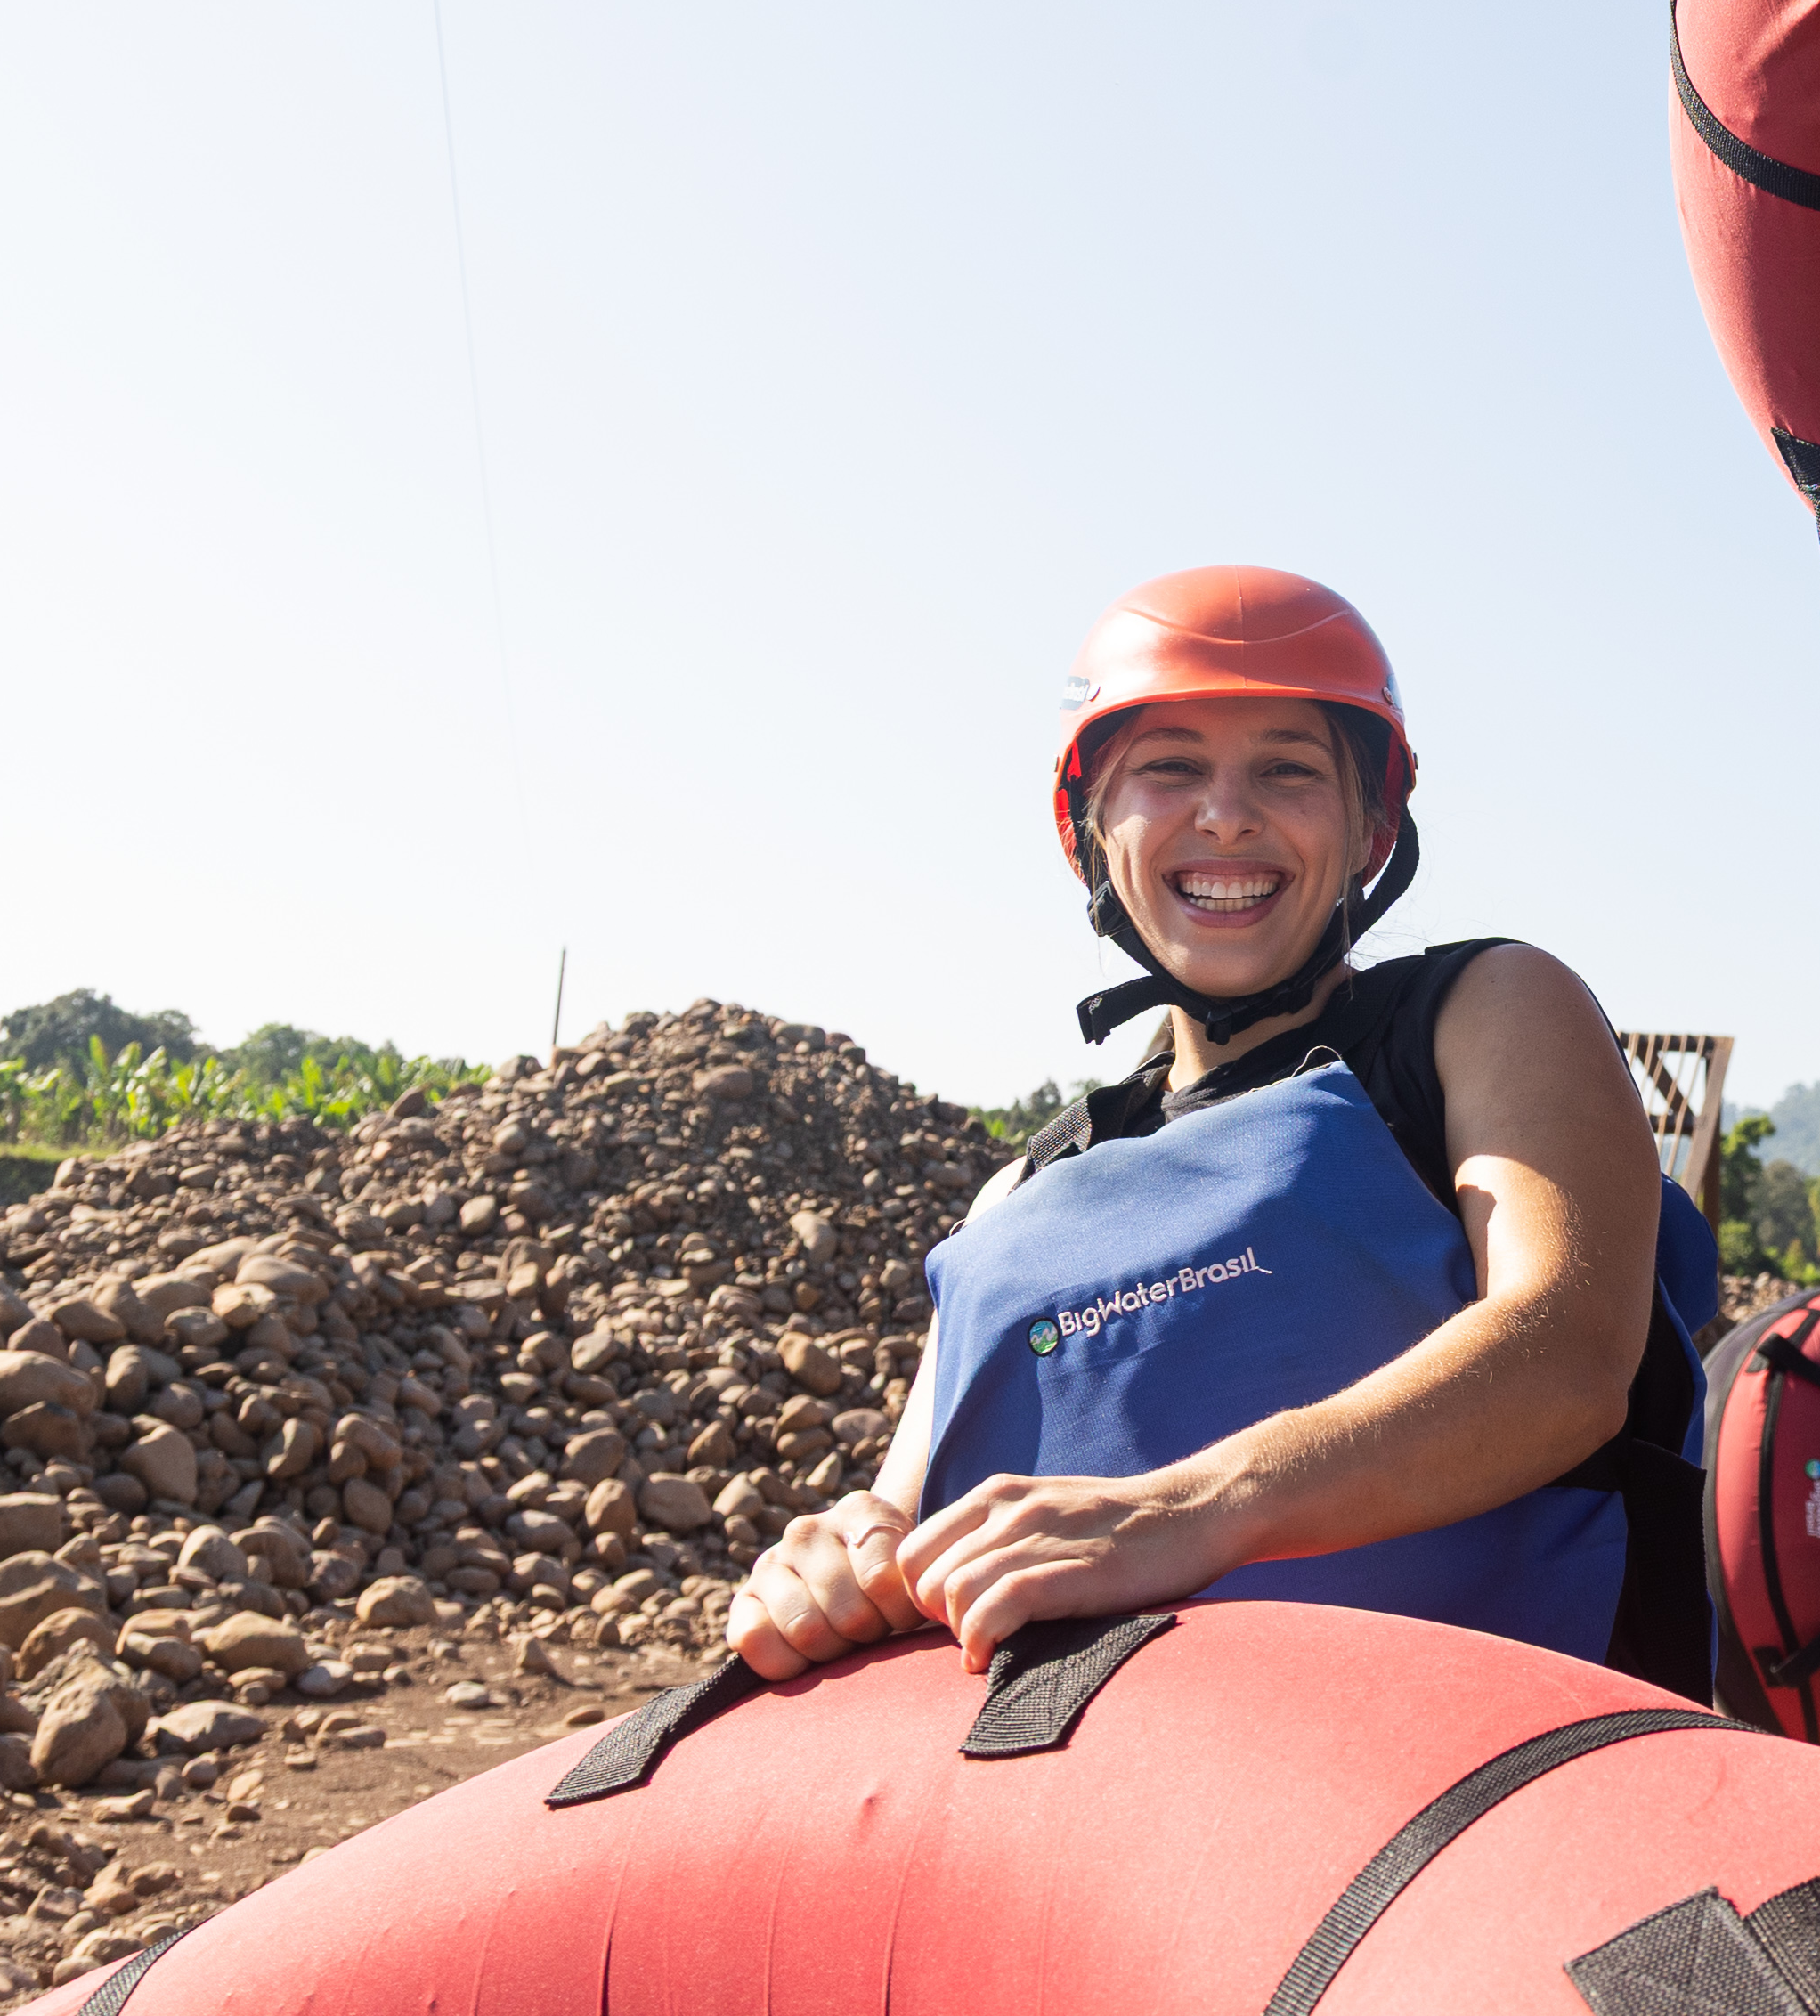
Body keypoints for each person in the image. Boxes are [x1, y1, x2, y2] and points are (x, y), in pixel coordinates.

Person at [728, 566, 1706, 1685]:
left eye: (1287, 770)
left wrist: (1187, 1511)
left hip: (1465, 1807)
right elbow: (897, 1521)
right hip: (1093, 1816)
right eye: (1170, 770)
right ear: (1092, 832)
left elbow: (1565, 1357)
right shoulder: (1020, 1194)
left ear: (1372, 823)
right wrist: (835, 1560)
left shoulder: (1479, 1016)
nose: (1226, 814)